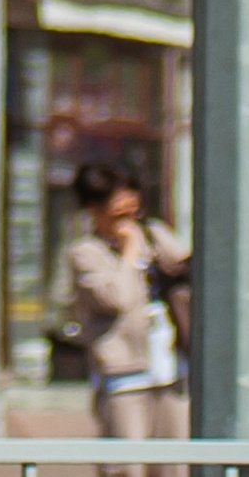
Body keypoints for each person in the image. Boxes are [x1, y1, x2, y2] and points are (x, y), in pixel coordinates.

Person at [67, 162, 189, 456]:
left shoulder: (154, 234)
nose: (129, 211)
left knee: (176, 461)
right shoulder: (86, 253)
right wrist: (130, 253)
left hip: (171, 367)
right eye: (117, 205)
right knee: (127, 463)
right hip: (125, 373)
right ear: (94, 208)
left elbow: (186, 269)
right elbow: (117, 298)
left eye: (132, 198)